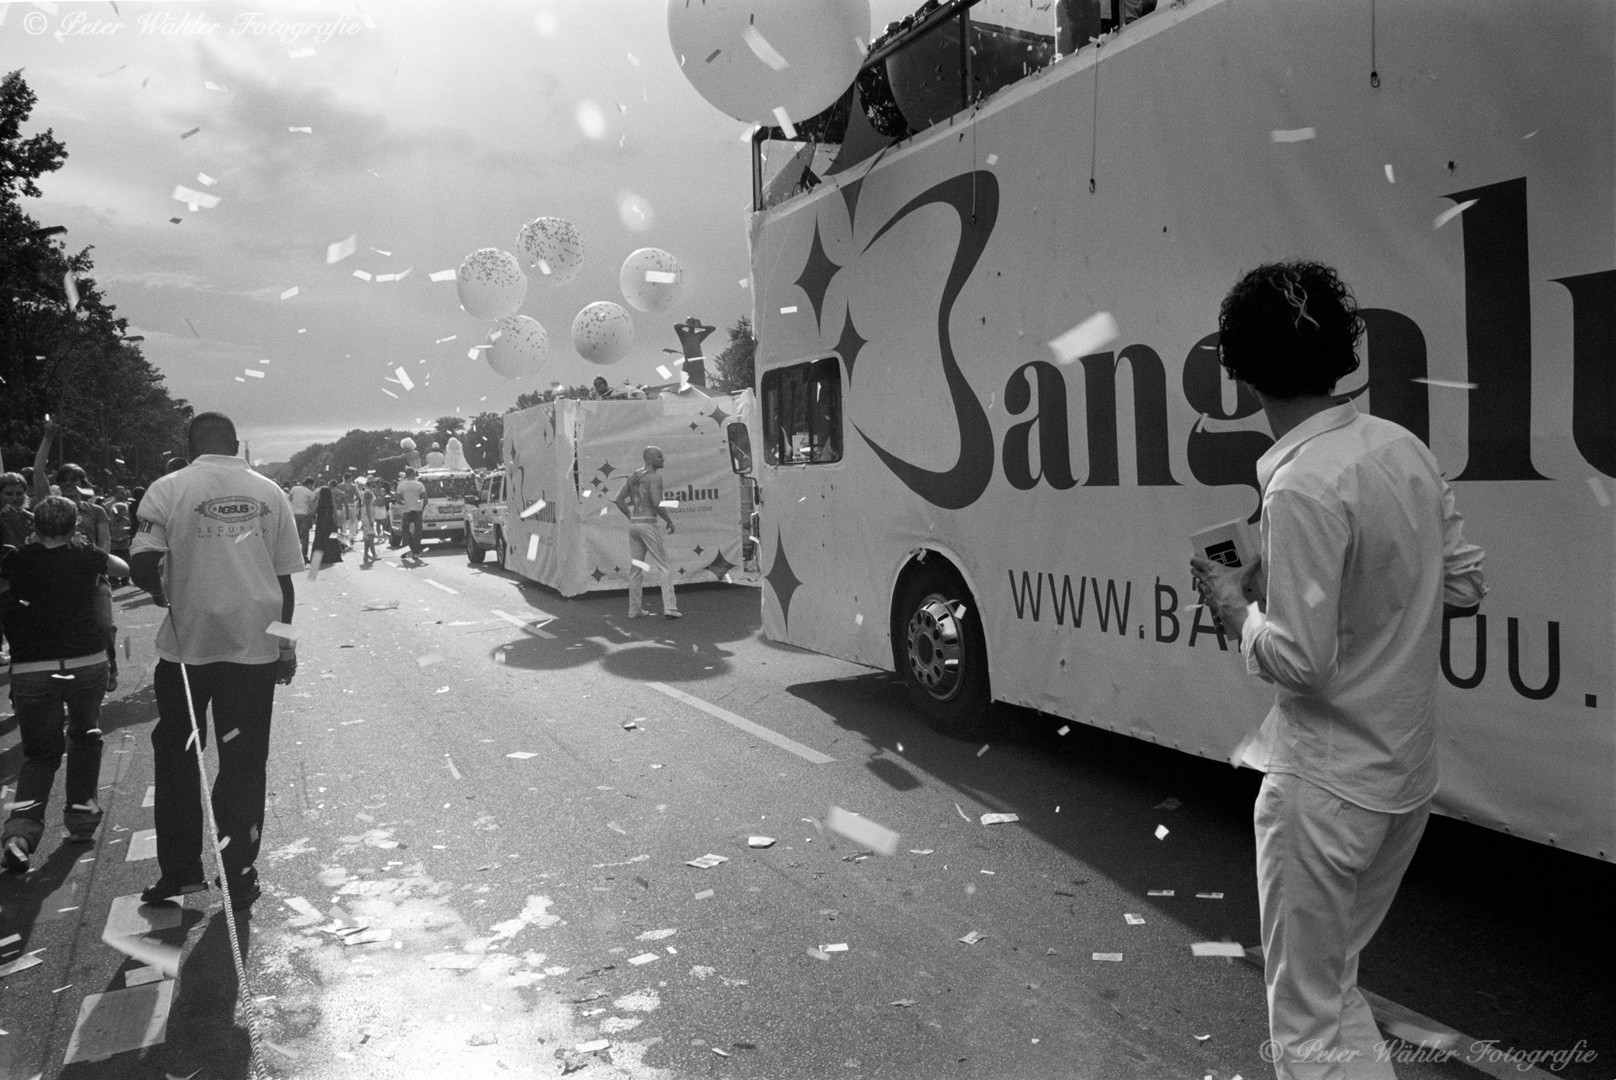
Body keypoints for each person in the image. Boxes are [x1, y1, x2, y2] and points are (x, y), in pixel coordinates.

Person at [1190, 261, 1487, 1080]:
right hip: (1404, 777)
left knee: (1307, 1021)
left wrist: (1234, 605)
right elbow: (1461, 586)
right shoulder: (1402, 449)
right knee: (1334, 988)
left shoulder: (1303, 484)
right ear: (1342, 353)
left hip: (1324, 791)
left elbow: (1300, 662)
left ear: (1239, 374)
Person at [129, 411, 302, 911]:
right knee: (244, 765)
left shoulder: (167, 487)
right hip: (254, 651)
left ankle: (182, 872)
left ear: (190, 444)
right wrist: (285, 646)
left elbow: (142, 561)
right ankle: (239, 873)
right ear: (235, 444)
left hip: (188, 651)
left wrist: (160, 588)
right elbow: (285, 580)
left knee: (180, 760)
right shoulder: (271, 493)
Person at [0, 496, 129, 870]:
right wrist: (88, 549)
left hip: (32, 668)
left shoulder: (14, 561)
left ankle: (20, 832)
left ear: (33, 526)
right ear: (75, 526)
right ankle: (81, 819)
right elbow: (121, 567)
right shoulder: (86, 557)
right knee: (85, 738)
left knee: (39, 755)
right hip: (85, 661)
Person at [33, 423, 118, 690]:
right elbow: (37, 472)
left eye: (76, 481)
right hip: (55, 579)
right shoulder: (49, 504)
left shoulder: (96, 512)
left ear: (84, 485)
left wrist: (95, 565)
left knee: (103, 626)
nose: (69, 485)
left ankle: (110, 665)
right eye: (64, 481)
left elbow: (104, 544)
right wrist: (48, 438)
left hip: (93, 577)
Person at [613, 446, 680, 619]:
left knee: (636, 568)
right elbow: (657, 503)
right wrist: (669, 520)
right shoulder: (654, 478)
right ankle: (670, 607)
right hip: (648, 524)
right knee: (663, 565)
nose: (663, 459)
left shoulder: (634, 477)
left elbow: (618, 499)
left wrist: (630, 515)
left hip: (635, 524)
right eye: (659, 456)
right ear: (649, 459)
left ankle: (634, 609)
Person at [0, 472, 35, 665]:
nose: (14, 498)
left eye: (18, 493)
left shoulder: (32, 519)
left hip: (24, 583)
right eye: (8, 493)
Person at [395, 467, 426, 562]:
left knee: (405, 531)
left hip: (407, 510)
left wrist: (404, 504)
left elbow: (397, 500)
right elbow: (425, 499)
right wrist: (421, 508)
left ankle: (404, 551)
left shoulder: (401, 485)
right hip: (417, 510)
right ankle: (416, 552)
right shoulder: (419, 485)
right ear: (413, 474)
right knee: (418, 531)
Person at [310, 484, 345, 567]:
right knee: (332, 540)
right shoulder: (331, 503)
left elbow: (313, 512)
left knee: (320, 540)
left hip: (321, 522)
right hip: (330, 522)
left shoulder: (319, 503)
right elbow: (335, 514)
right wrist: (336, 523)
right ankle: (333, 556)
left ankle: (319, 557)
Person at [106, 485, 133, 586]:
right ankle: (113, 580)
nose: (124, 494)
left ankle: (125, 579)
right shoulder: (108, 505)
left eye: (124, 492)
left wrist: (124, 537)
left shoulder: (128, 506)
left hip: (124, 543)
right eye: (121, 492)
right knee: (113, 561)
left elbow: (129, 529)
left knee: (126, 561)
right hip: (113, 544)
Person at [288, 476, 317, 561]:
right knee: (305, 537)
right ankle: (304, 556)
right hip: (304, 515)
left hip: (294, 514)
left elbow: (289, 500)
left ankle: (294, 556)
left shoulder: (294, 489)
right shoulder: (310, 493)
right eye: (312, 485)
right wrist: (312, 516)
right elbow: (312, 507)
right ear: (310, 484)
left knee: (295, 535)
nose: (312, 487)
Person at [355, 477, 378, 564]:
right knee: (371, 536)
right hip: (368, 517)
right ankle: (374, 554)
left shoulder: (368, 492)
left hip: (367, 517)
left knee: (367, 537)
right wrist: (370, 519)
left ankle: (366, 554)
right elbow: (368, 507)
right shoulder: (368, 492)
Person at [339, 471, 360, 538]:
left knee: (343, 523)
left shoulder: (340, 486)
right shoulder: (353, 486)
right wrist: (353, 500)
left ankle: (344, 538)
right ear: (349, 478)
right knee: (352, 523)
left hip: (342, 505)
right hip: (351, 505)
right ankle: (350, 537)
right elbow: (358, 496)